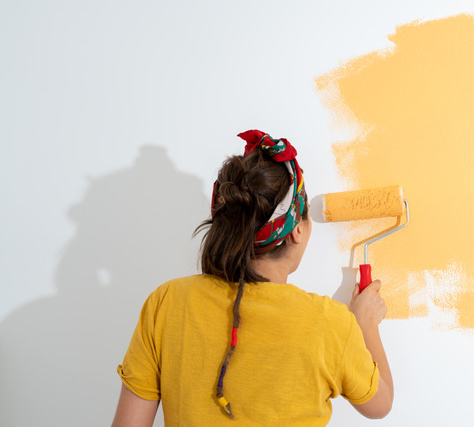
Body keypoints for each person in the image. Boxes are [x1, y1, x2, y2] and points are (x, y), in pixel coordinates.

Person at [112, 130, 393, 426]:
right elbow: (380, 404)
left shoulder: (166, 302)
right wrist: (365, 324)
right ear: (296, 228)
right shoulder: (331, 323)